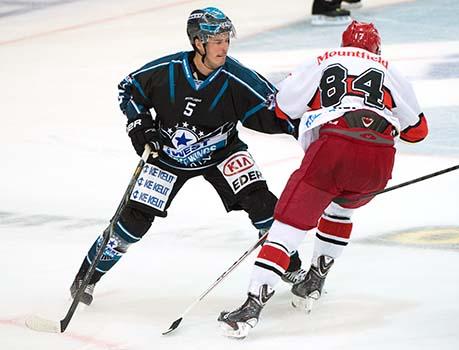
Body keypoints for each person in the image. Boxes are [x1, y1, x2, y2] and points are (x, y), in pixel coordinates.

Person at [69, 7, 305, 306]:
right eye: (216, 40)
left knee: (263, 206)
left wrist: (313, 131)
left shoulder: (238, 78)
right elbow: (129, 89)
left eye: (225, 39)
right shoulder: (165, 70)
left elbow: (277, 111)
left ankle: (292, 267)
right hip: (166, 155)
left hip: (222, 152)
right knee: (134, 222)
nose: (224, 46)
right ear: (197, 42)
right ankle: (86, 277)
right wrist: (139, 125)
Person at [218, 20, 428, 338]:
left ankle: (250, 309)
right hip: (380, 161)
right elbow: (418, 132)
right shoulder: (391, 71)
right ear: (377, 48)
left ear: (344, 45)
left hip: (333, 148)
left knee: (288, 226)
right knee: (342, 208)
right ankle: (314, 282)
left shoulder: (322, 59)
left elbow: (283, 107)